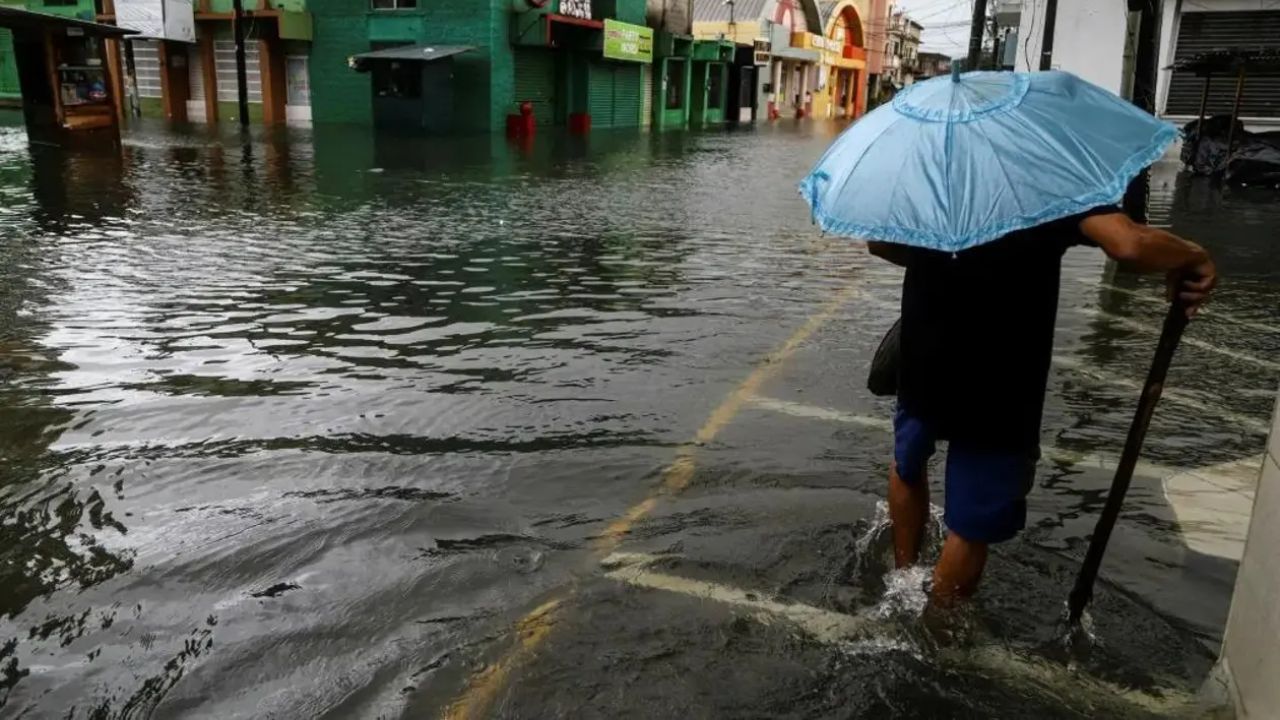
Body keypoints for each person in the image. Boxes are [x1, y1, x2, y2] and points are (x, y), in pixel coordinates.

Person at [867, 208, 1217, 607]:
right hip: (1002, 379)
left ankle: (902, 580)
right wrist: (1193, 255)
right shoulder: (1047, 172)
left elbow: (879, 243)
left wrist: (950, 255)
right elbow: (1128, 243)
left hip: (924, 353)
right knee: (970, 524)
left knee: (908, 463)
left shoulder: (930, 167)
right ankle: (935, 633)